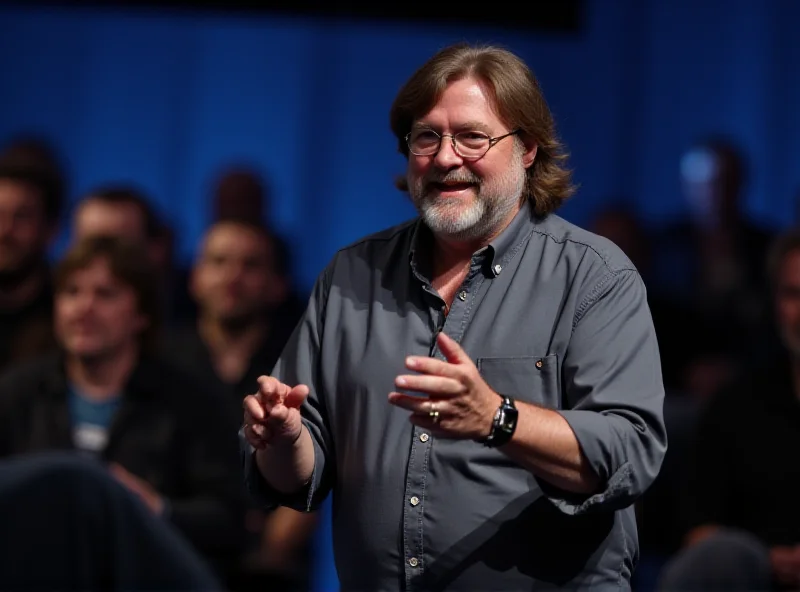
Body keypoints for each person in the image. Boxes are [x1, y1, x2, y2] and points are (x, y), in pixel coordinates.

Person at [241, 43, 667, 590]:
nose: (445, 157)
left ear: (529, 148)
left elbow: (629, 452)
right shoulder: (352, 276)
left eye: (472, 136)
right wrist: (283, 438)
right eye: (427, 137)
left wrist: (497, 417)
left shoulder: (593, 277)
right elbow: (296, 475)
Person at [0, 235, 248, 585]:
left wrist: (157, 508)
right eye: (71, 292)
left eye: (105, 294)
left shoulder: (191, 400)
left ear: (141, 314)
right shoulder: (16, 392)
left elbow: (230, 520)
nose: (84, 307)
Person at [658, 229, 800, 591]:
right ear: (774, 302)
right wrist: (766, 560)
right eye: (792, 294)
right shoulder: (735, 406)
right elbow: (698, 534)